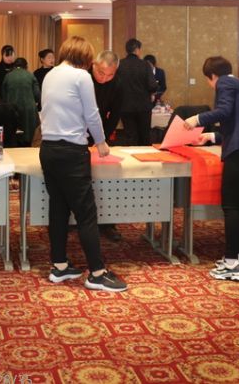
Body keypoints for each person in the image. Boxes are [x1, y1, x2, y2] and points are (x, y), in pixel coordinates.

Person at [40, 36, 126, 292]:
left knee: (58, 209)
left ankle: (60, 266)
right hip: (72, 152)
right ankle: (97, 273)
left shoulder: (50, 75)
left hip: (48, 149)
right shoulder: (81, 77)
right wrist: (101, 142)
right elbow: (92, 113)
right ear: (85, 58)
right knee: (86, 214)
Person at [183, 57, 239, 281]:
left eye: (208, 81)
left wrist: (196, 119)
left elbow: (224, 111)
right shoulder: (238, 84)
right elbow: (236, 121)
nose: (211, 85)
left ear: (212, 76)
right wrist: (210, 136)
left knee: (231, 207)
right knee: (238, 205)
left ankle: (231, 263)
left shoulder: (225, 83)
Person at [91, 50, 122, 241]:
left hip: (101, 133)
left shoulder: (118, 83)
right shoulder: (84, 77)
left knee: (104, 178)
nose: (104, 78)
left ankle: (107, 222)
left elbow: (115, 113)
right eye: (101, 73)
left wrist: (101, 138)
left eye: (110, 75)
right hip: (78, 131)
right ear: (94, 65)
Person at [117, 38, 158, 146]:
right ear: (137, 50)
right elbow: (153, 86)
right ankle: (144, 155)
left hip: (125, 106)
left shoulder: (119, 65)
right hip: (143, 107)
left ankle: (131, 156)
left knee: (130, 136)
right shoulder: (145, 65)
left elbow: (115, 86)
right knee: (144, 136)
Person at [1, 58, 39, 147]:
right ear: (26, 66)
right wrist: (36, 101)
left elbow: (3, 95)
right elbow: (37, 93)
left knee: (14, 134)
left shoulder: (8, 76)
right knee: (28, 133)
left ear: (14, 66)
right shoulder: (30, 75)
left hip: (12, 108)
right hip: (29, 108)